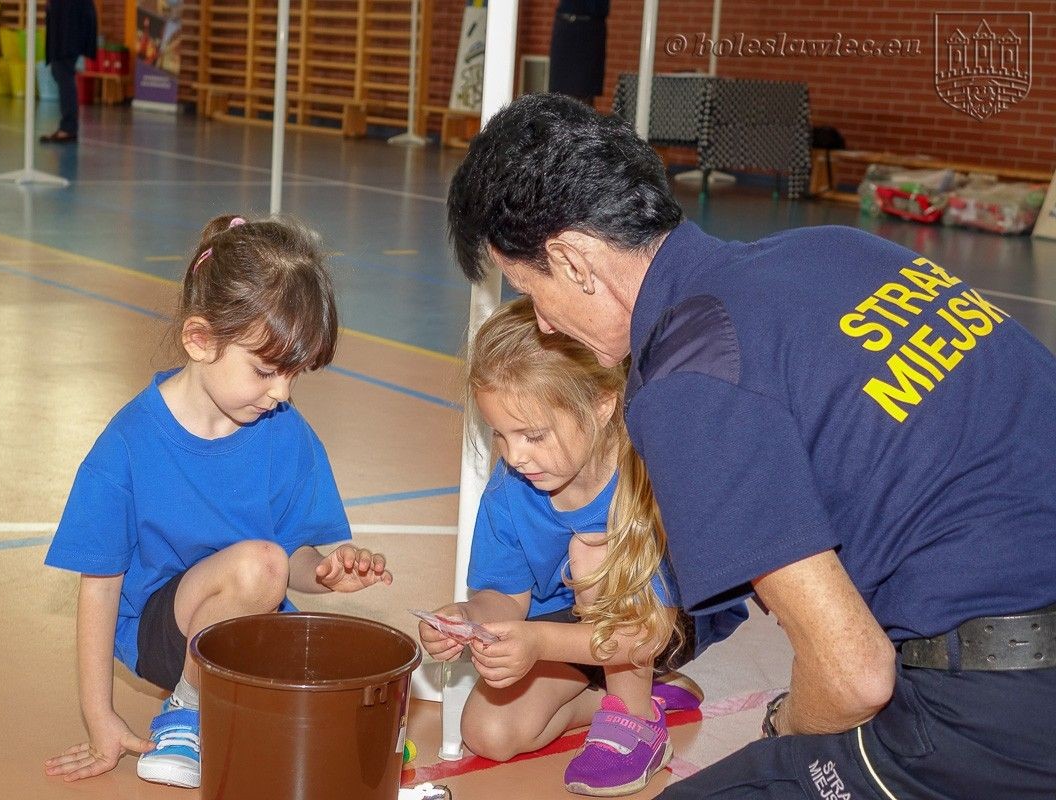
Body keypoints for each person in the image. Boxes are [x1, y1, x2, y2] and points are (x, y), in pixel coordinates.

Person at [446, 93, 1056, 798]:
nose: (545, 325)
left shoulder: (686, 382)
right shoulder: (836, 248)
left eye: (529, 288)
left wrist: (788, 723)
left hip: (998, 715)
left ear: (575, 260)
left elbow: (854, 675)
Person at [42, 214, 393, 790]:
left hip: (252, 613)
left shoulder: (286, 432)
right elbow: (99, 587)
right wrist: (99, 716)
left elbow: (292, 562)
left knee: (317, 681)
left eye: (293, 375)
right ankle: (185, 708)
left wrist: (328, 572)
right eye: (265, 370)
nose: (281, 393)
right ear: (200, 339)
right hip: (162, 631)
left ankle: (217, 700)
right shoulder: (127, 445)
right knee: (259, 562)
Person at [419, 297, 746, 797]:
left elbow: (639, 636)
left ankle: (636, 720)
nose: (514, 456)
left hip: (655, 627)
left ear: (602, 403)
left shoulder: (643, 474)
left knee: (590, 549)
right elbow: (505, 597)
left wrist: (539, 645)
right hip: (575, 636)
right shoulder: (511, 487)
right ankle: (635, 694)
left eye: (532, 435)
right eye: (500, 436)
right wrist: (470, 620)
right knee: (489, 732)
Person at [41, 0, 96, 144]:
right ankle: (68, 127)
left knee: (62, 69)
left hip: (70, 20)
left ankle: (68, 128)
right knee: (59, 70)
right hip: (66, 19)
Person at [548, 0, 609, 106]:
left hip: (590, 28)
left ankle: (583, 122)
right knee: (558, 94)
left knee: (584, 92)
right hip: (565, 24)